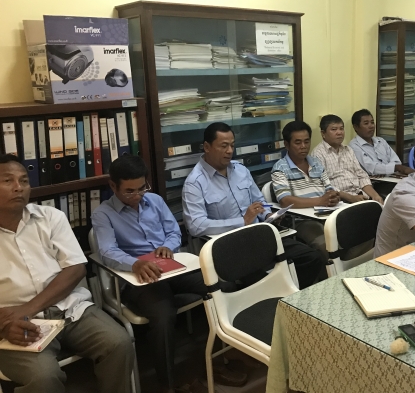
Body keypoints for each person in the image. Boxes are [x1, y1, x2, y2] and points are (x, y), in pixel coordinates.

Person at [92, 155, 245, 392]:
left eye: (141, 188)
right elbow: (107, 251)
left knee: (223, 287)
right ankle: (168, 384)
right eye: (129, 191)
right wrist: (135, 264)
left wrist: (168, 246)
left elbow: (174, 232)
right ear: (113, 186)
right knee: (163, 316)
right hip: (138, 278)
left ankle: (219, 358)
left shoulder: (154, 200)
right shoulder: (103, 214)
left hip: (170, 266)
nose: (137, 196)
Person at [0, 154, 134, 393]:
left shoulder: (50, 217)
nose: (18, 187)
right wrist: (5, 325)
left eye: (24, 180)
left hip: (71, 310)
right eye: (8, 180)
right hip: (16, 325)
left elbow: (75, 269)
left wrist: (28, 308)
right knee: (43, 377)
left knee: (119, 342)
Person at [182, 122, 324, 289]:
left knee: (312, 258)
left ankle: (291, 296)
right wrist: (242, 221)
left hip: (260, 236)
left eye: (232, 145)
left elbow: (259, 201)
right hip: (230, 246)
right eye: (224, 146)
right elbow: (196, 225)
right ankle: (281, 296)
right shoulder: (195, 183)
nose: (229, 151)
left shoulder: (240, 170)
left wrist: (268, 215)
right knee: (267, 282)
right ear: (207, 147)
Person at [271, 121, 370, 261]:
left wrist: (334, 197)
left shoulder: (316, 163)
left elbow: (329, 189)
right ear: (287, 145)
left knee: (367, 232)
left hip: (328, 214)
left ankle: (344, 265)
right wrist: (320, 201)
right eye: (298, 142)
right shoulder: (280, 168)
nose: (303, 146)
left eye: (306, 141)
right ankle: (336, 268)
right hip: (302, 220)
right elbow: (285, 201)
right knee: (325, 245)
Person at [311, 115, 383, 204]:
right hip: (340, 201)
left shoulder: (348, 150)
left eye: (341, 128)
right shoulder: (318, 154)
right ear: (323, 134)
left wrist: (375, 195)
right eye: (334, 129)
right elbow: (323, 185)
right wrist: (351, 198)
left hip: (361, 196)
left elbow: (361, 176)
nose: (339, 132)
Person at [348, 109, 414, 176]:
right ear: (356, 127)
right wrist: (395, 168)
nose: (371, 126)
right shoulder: (354, 146)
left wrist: (393, 169)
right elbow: (371, 168)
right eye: (366, 123)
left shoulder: (380, 141)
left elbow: (397, 161)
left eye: (372, 122)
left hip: (393, 176)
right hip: (373, 180)